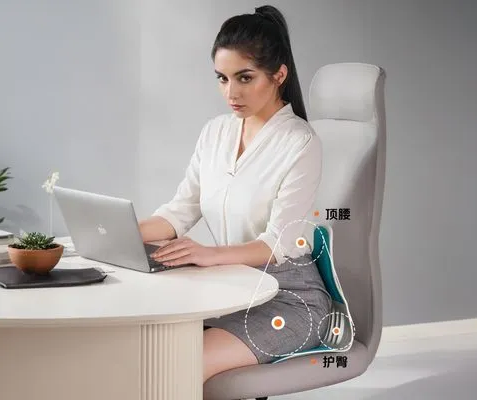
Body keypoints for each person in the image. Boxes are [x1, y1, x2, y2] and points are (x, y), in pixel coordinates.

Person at [138, 5, 333, 383]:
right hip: (228, 290)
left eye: (244, 78)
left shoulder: (300, 142)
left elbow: (279, 242)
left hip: (289, 299)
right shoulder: (215, 132)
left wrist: (205, 255)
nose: (231, 92)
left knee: (174, 369)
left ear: (279, 74)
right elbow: (179, 212)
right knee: (139, 351)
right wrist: (117, 233)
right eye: (222, 79)